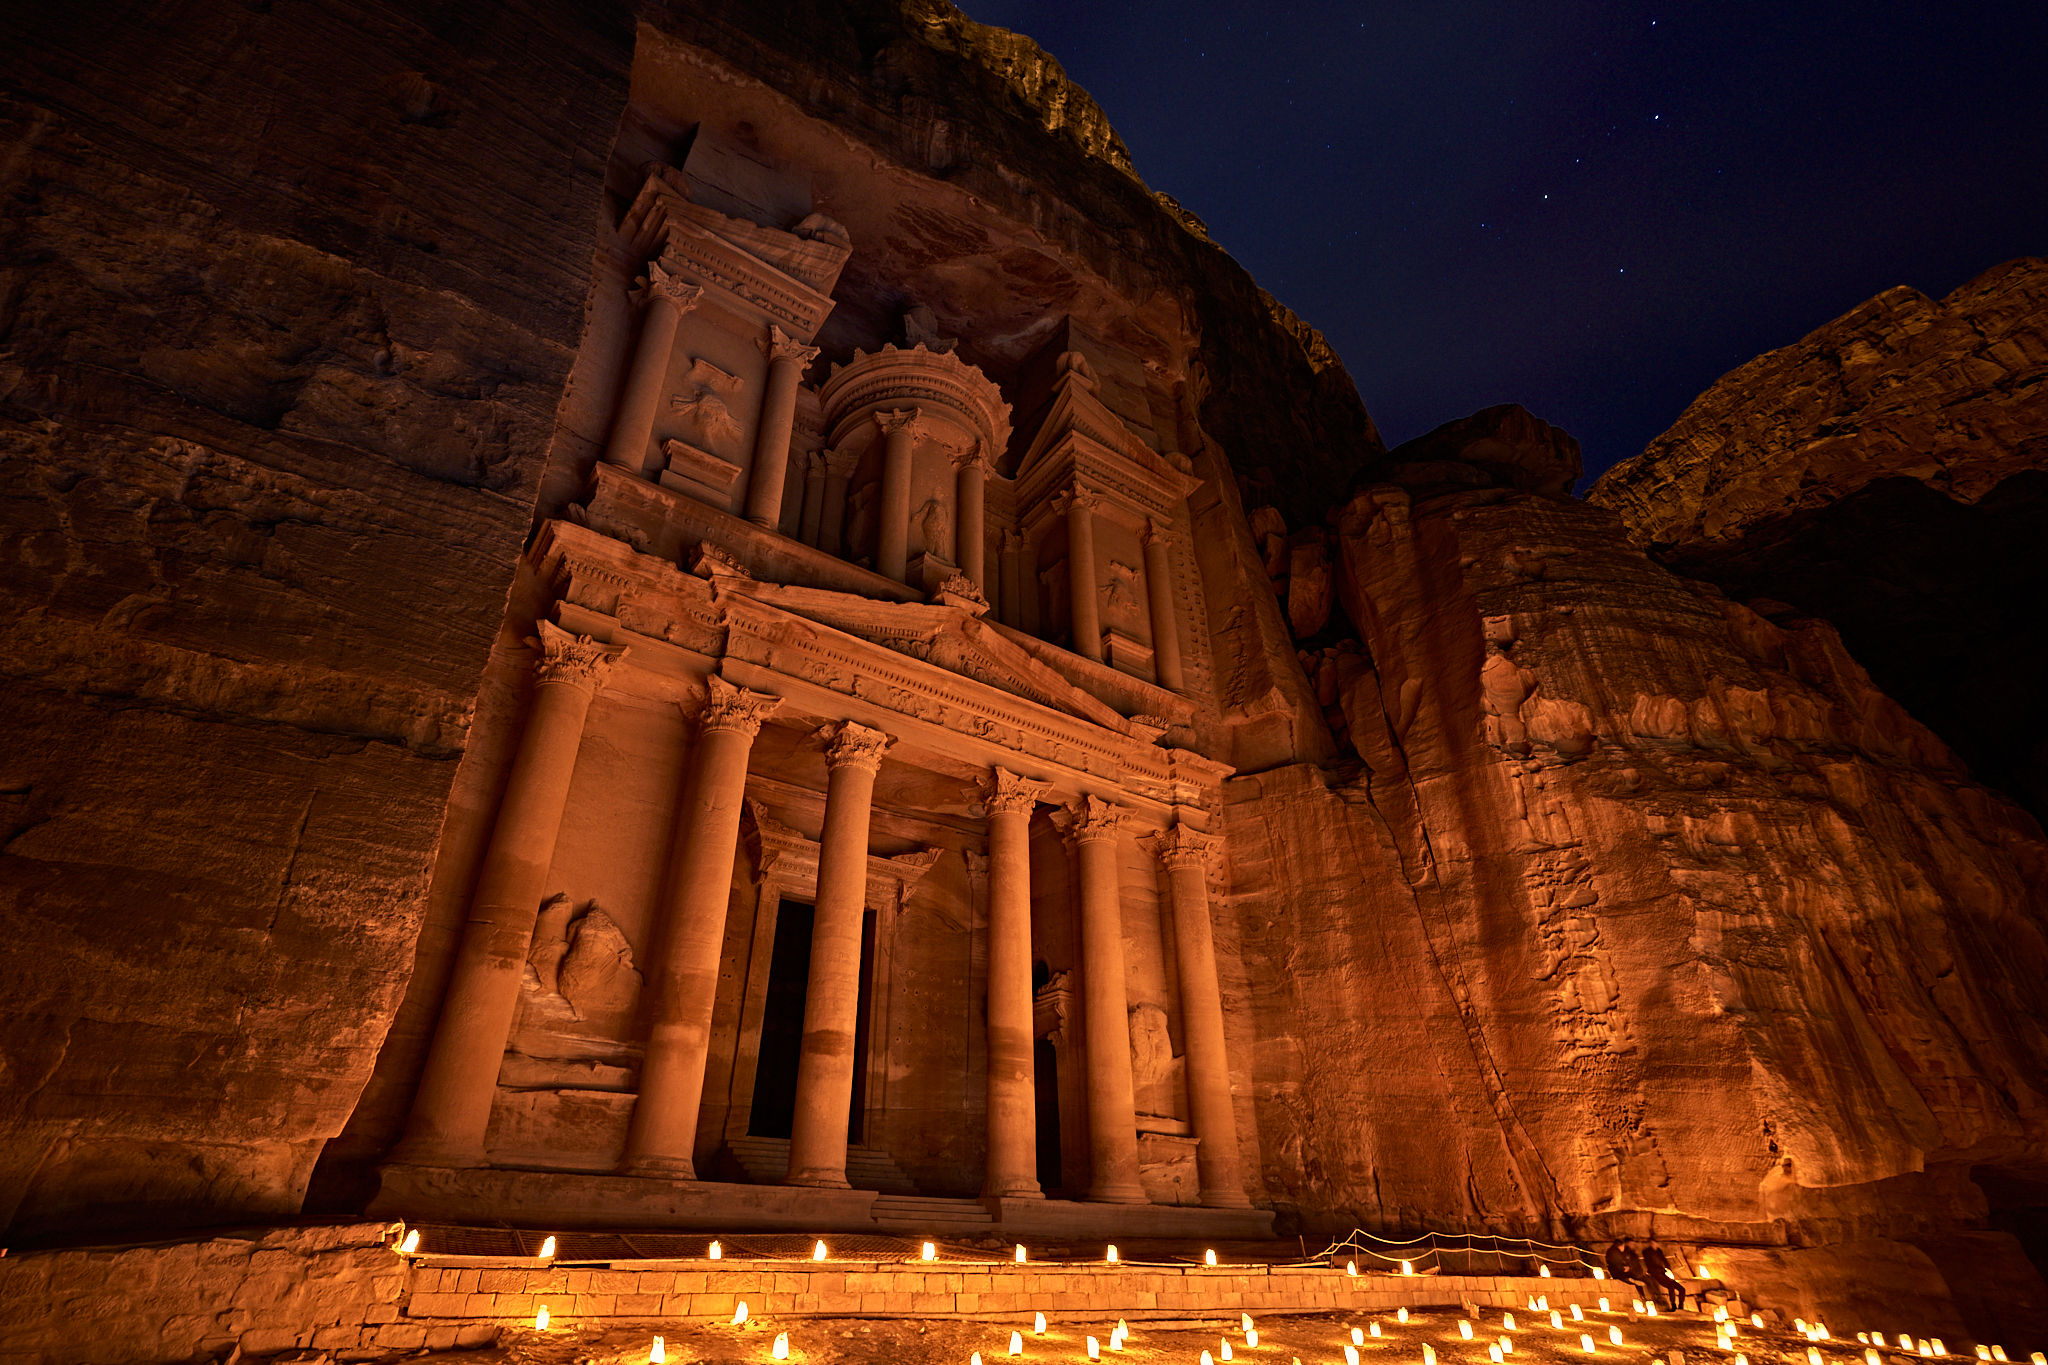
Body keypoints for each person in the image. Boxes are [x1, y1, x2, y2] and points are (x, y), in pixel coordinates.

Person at [1641, 1236, 1686, 1312]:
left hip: (1663, 1272)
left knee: (1682, 1289)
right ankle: (1673, 1305)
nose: (1653, 1245)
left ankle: (1681, 1306)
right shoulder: (1647, 1252)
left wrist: (1668, 1270)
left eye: (1654, 1243)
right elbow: (1650, 1265)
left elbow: (1664, 1261)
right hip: (1656, 1274)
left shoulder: (1659, 1251)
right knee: (1670, 1287)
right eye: (1651, 1243)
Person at [1604, 1237, 1650, 1304]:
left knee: (1634, 1277)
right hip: (1617, 1272)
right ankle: (1631, 1281)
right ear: (1620, 1246)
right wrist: (1623, 1268)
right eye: (1623, 1246)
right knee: (1628, 1277)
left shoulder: (1615, 1251)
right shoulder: (1613, 1252)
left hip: (1622, 1270)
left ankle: (1633, 1281)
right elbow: (1615, 1264)